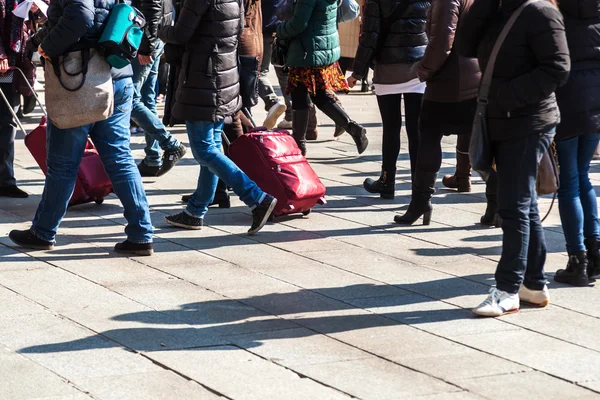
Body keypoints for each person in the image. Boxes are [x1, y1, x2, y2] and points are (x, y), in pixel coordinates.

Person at [9, 0, 155, 256]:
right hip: (117, 75)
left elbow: (81, 17)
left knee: (63, 164)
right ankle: (141, 233)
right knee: (120, 158)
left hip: (83, 78)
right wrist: (36, 41)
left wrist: (46, 46)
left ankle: (43, 232)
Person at [456, 0, 570, 317]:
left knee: (513, 205)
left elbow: (558, 68)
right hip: (500, 120)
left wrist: (507, 97)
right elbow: (464, 46)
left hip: (529, 122)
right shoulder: (496, 9)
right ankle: (533, 284)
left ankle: (507, 289)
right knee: (523, 202)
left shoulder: (540, 12)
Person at [159, 0, 277, 234]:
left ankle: (256, 198)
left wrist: (159, 28)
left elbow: (181, 34)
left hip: (204, 77)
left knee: (204, 150)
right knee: (211, 148)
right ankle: (195, 211)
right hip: (223, 73)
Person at [393, 0, 480, 221]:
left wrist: (424, 70)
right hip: (474, 76)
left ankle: (421, 202)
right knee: (480, 137)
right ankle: (495, 205)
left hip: (450, 79)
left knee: (429, 136)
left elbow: (442, 40)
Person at [349, 0, 430, 199]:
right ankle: (419, 188)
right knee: (416, 130)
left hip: (388, 68)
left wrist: (357, 73)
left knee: (391, 126)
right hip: (418, 68)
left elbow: (370, 36)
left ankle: (387, 181)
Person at [276, 0, 368, 156]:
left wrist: (279, 30)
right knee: (319, 94)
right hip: (321, 46)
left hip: (307, 50)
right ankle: (353, 129)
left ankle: (299, 145)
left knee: (301, 96)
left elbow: (298, 24)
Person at [553, 0, 600, 286]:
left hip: (567, 105)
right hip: (596, 107)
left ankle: (577, 259)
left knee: (569, 182)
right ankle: (594, 249)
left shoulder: (556, 17)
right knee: (583, 176)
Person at [132, 0, 187, 178]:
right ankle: (153, 158)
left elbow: (152, 7)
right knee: (146, 98)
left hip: (146, 38)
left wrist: (146, 46)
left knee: (128, 97)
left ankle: (169, 144)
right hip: (153, 35)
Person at [0, 0, 31, 198]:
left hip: (12, 62)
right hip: (4, 58)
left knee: (8, 121)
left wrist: (36, 10)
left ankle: (5, 180)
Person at [259, 0, 288, 129]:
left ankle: (272, 102)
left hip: (263, 29)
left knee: (259, 72)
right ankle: (292, 115)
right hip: (283, 29)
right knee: (284, 73)